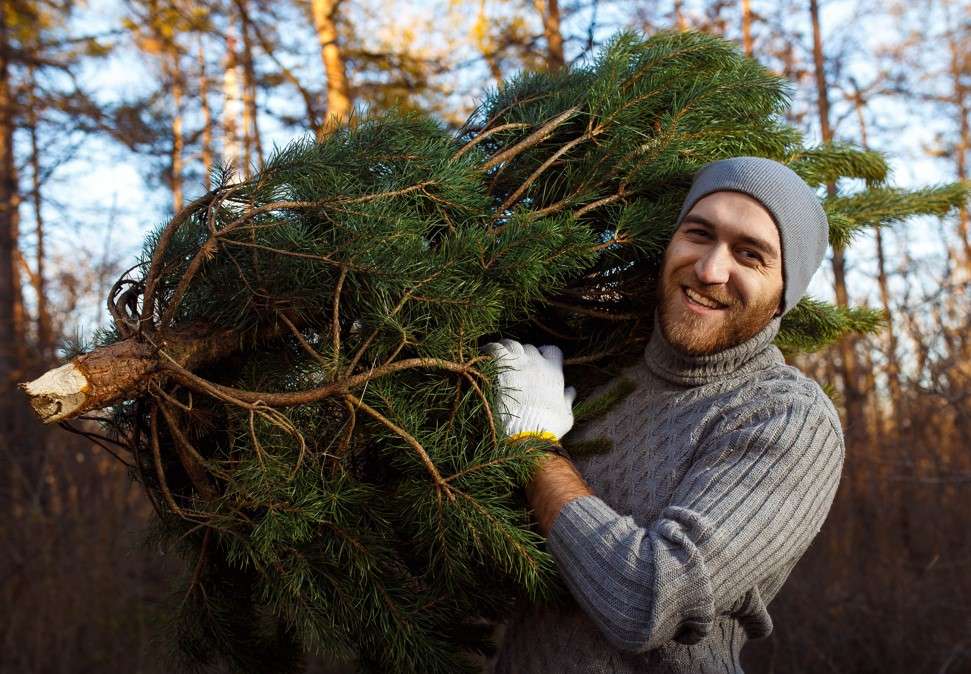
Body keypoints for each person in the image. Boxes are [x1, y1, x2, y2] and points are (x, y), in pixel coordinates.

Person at [484, 156, 845, 673]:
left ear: (784, 294)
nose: (710, 269)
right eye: (699, 234)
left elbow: (648, 601)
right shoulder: (598, 367)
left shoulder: (785, 418)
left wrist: (535, 447)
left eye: (751, 254)